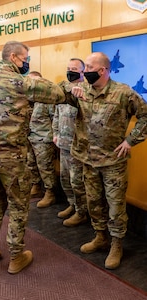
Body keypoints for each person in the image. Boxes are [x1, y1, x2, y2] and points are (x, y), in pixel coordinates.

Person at [0, 41, 65, 274]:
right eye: (25, 58)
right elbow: (58, 94)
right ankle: (16, 255)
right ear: (13, 57)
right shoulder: (24, 83)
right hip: (13, 157)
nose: (27, 63)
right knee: (18, 204)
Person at [69, 51, 147, 269]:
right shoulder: (81, 89)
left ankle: (116, 244)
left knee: (115, 206)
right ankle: (100, 236)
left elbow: (145, 115)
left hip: (113, 162)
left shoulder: (123, 93)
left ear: (102, 70)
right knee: (93, 202)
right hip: (88, 159)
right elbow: (59, 92)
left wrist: (131, 140)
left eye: (89, 69)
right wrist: (70, 90)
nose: (84, 73)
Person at [52, 58, 88, 226]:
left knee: (77, 181)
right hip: (63, 143)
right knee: (65, 178)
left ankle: (81, 212)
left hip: (78, 146)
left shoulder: (86, 92)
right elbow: (57, 114)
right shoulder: (63, 91)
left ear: (82, 72)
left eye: (74, 68)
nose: (70, 71)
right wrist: (55, 133)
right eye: (68, 68)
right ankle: (71, 204)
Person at [27, 71, 58, 207]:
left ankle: (50, 193)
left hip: (43, 138)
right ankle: (36, 186)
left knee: (45, 167)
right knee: (30, 163)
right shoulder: (25, 100)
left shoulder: (47, 100)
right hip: (29, 137)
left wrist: (55, 137)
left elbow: (54, 119)